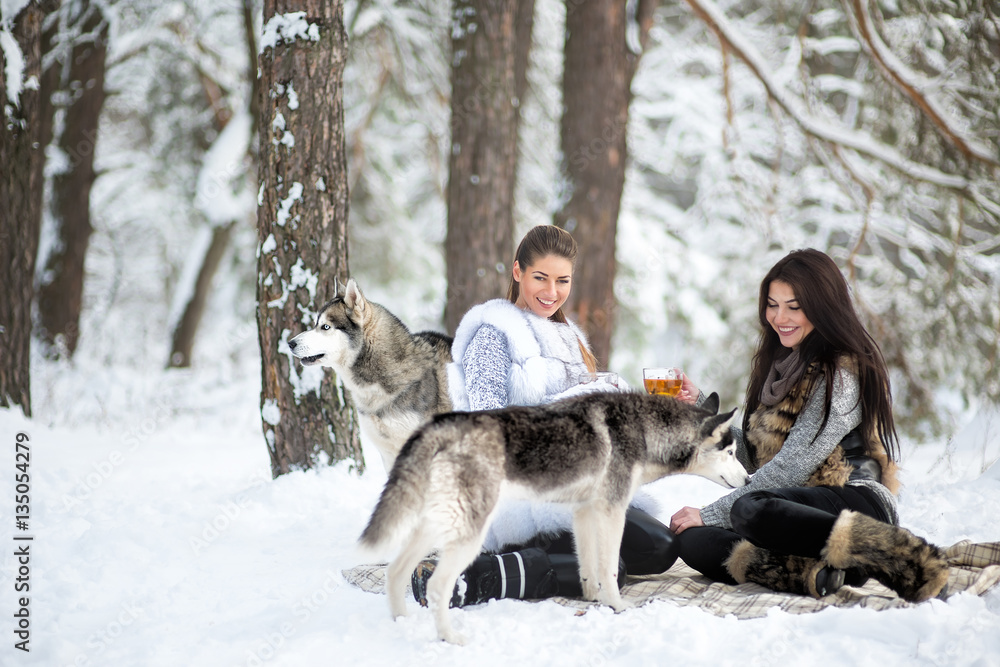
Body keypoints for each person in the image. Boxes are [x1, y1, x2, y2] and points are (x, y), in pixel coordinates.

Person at [412, 225, 679, 608]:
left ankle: (529, 560)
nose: (551, 292)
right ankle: (473, 579)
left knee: (659, 549)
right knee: (613, 568)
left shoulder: (568, 337)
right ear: (518, 272)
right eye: (541, 278)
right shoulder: (494, 335)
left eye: (562, 280)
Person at [670, 249, 949, 602]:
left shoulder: (841, 371)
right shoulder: (783, 365)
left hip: (854, 501)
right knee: (690, 539)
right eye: (772, 304)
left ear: (822, 306)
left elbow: (793, 465)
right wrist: (699, 409)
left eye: (794, 306)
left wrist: (710, 512)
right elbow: (760, 458)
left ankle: (896, 554)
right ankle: (816, 574)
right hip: (795, 504)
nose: (779, 317)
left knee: (746, 510)